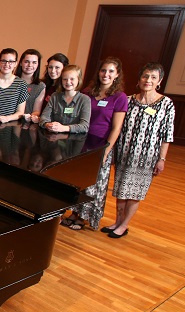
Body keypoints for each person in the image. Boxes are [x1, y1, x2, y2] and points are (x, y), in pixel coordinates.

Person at [108, 63, 174, 239]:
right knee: (121, 190)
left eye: (153, 77)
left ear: (159, 81)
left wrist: (162, 159)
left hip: (147, 156)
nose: (148, 80)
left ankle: (124, 225)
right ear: (139, 79)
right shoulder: (128, 100)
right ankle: (117, 221)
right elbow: (118, 127)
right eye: (145, 76)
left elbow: (167, 134)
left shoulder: (166, 104)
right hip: (124, 153)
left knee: (135, 192)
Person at [63, 57, 128, 231]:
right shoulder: (87, 92)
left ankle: (84, 218)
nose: (106, 74)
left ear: (117, 75)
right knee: (78, 182)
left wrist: (107, 150)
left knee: (93, 185)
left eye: (111, 71)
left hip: (100, 146)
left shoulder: (119, 97)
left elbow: (116, 128)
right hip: (80, 143)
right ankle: (74, 214)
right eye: (103, 70)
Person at [39, 65, 91, 134]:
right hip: (53, 138)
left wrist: (63, 128)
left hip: (72, 141)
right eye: (65, 79)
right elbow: (43, 118)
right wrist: (48, 125)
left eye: (72, 79)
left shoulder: (85, 99)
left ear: (78, 80)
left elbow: (84, 126)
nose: (68, 82)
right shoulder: (55, 96)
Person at [0, 48, 28, 123]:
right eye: (4, 61)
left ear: (16, 64)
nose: (7, 64)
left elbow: (20, 112)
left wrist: (6, 118)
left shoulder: (21, 84)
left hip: (9, 125)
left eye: (11, 62)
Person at [15, 49, 46, 123]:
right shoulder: (12, 81)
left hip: (27, 123)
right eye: (26, 62)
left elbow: (36, 111)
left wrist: (32, 116)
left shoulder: (40, 86)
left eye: (34, 62)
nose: (30, 65)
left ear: (38, 65)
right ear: (20, 63)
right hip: (8, 120)